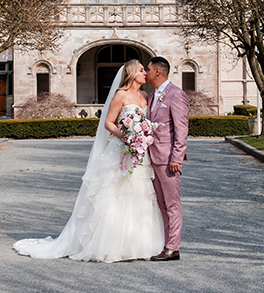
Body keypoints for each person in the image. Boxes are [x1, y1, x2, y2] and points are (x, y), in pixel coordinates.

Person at [13, 59, 164, 263]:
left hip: (139, 153)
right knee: (116, 194)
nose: (145, 73)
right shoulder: (120, 95)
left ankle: (137, 243)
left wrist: (142, 138)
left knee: (140, 193)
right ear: (130, 73)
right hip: (122, 149)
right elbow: (109, 123)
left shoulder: (145, 95)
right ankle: (110, 244)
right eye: (141, 70)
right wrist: (126, 137)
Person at [144, 56, 189, 261]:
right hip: (152, 157)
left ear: (157, 72)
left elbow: (181, 130)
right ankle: (165, 244)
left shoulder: (175, 94)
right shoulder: (153, 96)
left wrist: (176, 158)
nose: (145, 72)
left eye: (148, 69)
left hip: (168, 159)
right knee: (161, 204)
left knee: (172, 204)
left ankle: (173, 248)